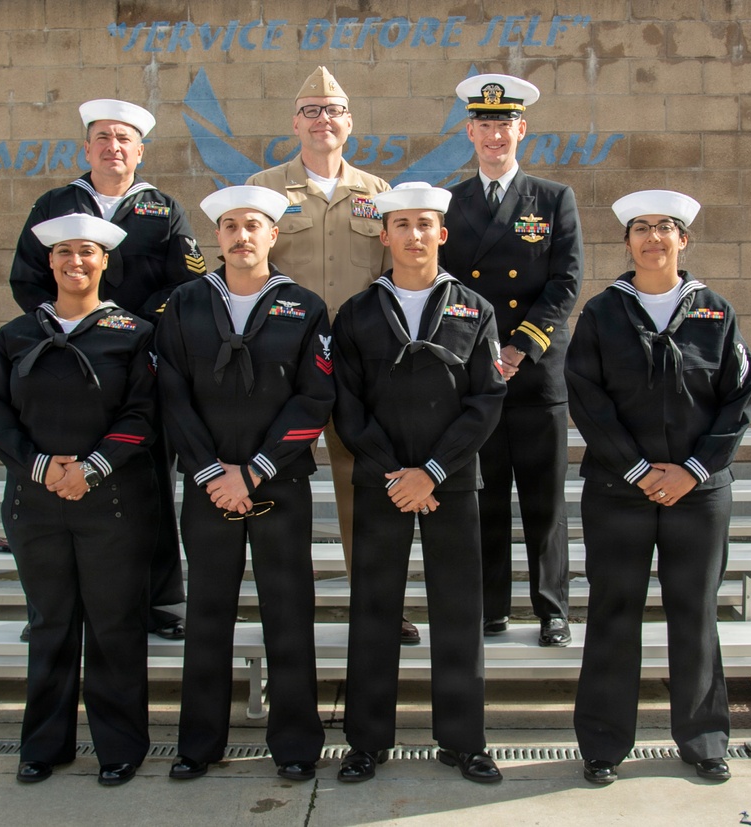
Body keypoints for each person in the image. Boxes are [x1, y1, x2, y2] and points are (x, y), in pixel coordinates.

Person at [565, 190, 751, 785]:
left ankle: (703, 739)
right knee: (613, 611)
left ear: (684, 240)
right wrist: (640, 470)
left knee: (694, 614)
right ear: (626, 243)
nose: (653, 238)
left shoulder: (716, 313)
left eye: (665, 228)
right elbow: (587, 400)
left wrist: (691, 470)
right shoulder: (601, 314)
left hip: (698, 494)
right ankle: (602, 744)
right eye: (641, 229)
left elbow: (738, 400)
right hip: (620, 491)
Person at [156, 186, 334, 782]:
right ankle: (199, 744)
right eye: (229, 225)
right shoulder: (185, 303)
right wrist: (212, 471)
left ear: (273, 235)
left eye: (252, 225)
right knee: (208, 614)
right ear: (218, 237)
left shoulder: (305, 306)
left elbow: (316, 397)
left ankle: (296, 744)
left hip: (278, 484)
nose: (241, 236)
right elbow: (171, 393)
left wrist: (255, 469)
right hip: (209, 487)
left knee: (289, 613)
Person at [332, 183, 507, 784]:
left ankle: (464, 740)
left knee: (458, 611)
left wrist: (431, 472)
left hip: (449, 482)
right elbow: (347, 406)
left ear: (443, 234)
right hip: (380, 481)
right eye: (401, 224)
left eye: (424, 224)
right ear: (384, 235)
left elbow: (485, 400)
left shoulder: (474, 308)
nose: (413, 235)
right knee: (373, 609)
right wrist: (394, 473)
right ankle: (366, 740)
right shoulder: (356, 313)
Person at [9, 99, 202, 640]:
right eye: (102, 138)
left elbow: (185, 285)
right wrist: (73, 330)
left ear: (139, 150)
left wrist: (124, 329)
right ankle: (54, 608)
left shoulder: (164, 209)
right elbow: (27, 279)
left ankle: (156, 601)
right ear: (86, 147)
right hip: (64, 365)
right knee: (57, 475)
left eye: (123, 139)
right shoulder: (54, 204)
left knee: (148, 485)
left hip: (141, 362)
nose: (112, 148)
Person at [0, 213, 159, 786]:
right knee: (50, 624)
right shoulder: (16, 335)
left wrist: (90, 467)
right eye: (64, 254)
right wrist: (43, 468)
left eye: (87, 252)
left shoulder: (133, 333)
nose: (75, 262)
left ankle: (120, 747)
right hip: (35, 505)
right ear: (50, 263)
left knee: (114, 628)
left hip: (111, 503)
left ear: (105, 261)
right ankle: (43, 746)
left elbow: (142, 415)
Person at [246, 68, 420, 644]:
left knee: (364, 485)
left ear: (350, 122)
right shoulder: (265, 190)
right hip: (284, 363)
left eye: (334, 110)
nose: (324, 119)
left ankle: (377, 604)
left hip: (357, 363)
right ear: (295, 122)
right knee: (274, 481)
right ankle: (279, 604)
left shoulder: (379, 194)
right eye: (313, 110)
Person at [438, 74, 583, 646]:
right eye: (485, 125)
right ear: (469, 132)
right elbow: (444, 282)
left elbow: (565, 283)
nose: (495, 135)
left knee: (544, 498)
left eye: (505, 125)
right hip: (477, 371)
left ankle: (553, 609)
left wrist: (520, 345)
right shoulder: (450, 200)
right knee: (485, 492)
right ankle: (490, 606)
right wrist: (476, 352)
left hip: (535, 370)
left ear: (521, 130)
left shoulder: (552, 198)